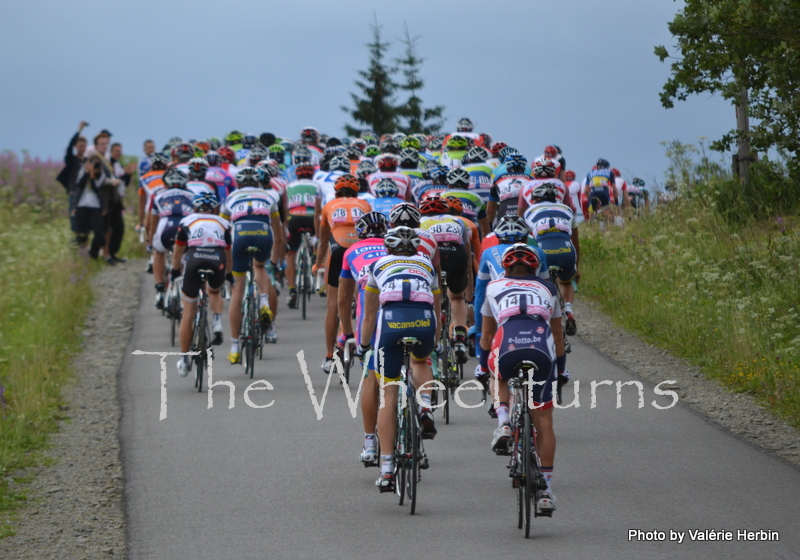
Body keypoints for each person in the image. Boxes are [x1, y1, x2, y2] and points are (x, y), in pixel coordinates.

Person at [480, 244, 564, 513]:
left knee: (498, 374)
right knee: (545, 422)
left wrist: (484, 368)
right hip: (541, 349)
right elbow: (559, 337)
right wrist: (560, 370)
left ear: (505, 267)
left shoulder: (494, 287)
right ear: (535, 267)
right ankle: (547, 491)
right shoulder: (550, 289)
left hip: (508, 346)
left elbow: (485, 336)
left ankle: (504, 422)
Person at [359, 226, 441, 491]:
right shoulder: (427, 264)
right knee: (419, 361)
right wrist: (435, 340)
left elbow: (369, 316)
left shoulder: (378, 264)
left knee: (389, 393)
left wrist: (363, 345)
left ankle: (386, 469)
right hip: (425, 321)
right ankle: (426, 406)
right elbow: (437, 308)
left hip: (391, 321)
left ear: (389, 247)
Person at [336, 212, 390, 466]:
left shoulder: (351, 251)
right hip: (404, 312)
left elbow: (343, 300)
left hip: (368, 317)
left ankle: (370, 441)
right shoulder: (397, 246)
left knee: (371, 378)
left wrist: (347, 332)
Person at [221, 167, 284, 363]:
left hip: (239, 236)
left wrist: (228, 268)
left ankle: (234, 347)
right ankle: (264, 301)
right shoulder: (268, 196)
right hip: (263, 234)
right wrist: (274, 262)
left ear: (238, 184)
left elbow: (223, 234)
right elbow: (280, 235)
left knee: (238, 291)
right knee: (260, 266)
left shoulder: (230, 197)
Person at [314, 174, 372, 372]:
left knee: (334, 304)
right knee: (365, 298)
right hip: (360, 251)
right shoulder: (364, 204)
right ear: (356, 192)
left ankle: (330, 356)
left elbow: (322, 242)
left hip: (337, 248)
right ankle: (367, 347)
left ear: (336, 191)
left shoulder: (329, 205)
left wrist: (317, 264)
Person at [172, 193, 232, 377]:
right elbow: (228, 254)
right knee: (214, 291)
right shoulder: (223, 223)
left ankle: (184, 360)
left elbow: (178, 251)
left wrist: (175, 270)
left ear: (195, 209)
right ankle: (216, 322)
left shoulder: (186, 221)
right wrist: (228, 275)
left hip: (194, 259)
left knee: (189, 310)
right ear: (214, 209)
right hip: (217, 258)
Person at [420, 196, 473, 363]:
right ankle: (459, 337)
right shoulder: (458, 221)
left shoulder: (420, 222)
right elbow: (468, 252)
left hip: (433, 256)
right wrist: (468, 282)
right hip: (457, 255)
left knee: (430, 297)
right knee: (457, 298)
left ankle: (430, 339)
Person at [522, 183, 579, 338]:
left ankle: (541, 313)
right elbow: (575, 239)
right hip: (566, 250)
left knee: (538, 282)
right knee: (566, 282)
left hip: (543, 250)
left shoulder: (528, 212)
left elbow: (527, 241)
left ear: (535, 199)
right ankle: (568, 310)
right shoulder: (568, 210)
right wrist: (577, 266)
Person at [147, 167, 195, 309]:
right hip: (185, 228)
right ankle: (183, 284)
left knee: (159, 252)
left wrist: (151, 242)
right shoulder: (192, 194)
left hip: (165, 227)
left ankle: (159, 287)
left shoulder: (158, 194)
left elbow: (153, 224)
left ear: (165, 183)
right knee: (183, 254)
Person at [73, 154, 112, 260]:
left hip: (95, 206)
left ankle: (106, 255)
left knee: (99, 231)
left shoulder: (102, 173)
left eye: (96, 163)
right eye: (92, 162)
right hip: (82, 204)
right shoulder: (82, 170)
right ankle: (83, 255)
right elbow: (79, 184)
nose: (94, 165)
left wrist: (93, 174)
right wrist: (87, 172)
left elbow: (97, 187)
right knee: (82, 231)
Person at [56, 121, 89, 233]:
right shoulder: (72, 159)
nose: (82, 148)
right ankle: (75, 244)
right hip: (74, 192)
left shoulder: (86, 161)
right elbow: (69, 146)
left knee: (85, 221)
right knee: (74, 220)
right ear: (76, 146)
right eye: (80, 146)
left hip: (84, 194)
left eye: (84, 146)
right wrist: (79, 130)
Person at [107, 142, 136, 262]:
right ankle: (106, 253)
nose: (119, 153)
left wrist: (128, 175)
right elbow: (115, 180)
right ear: (111, 151)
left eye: (120, 151)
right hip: (110, 199)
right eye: (116, 151)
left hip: (118, 199)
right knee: (110, 228)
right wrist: (126, 175)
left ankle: (113, 253)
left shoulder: (119, 164)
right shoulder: (109, 163)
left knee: (119, 228)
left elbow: (124, 182)